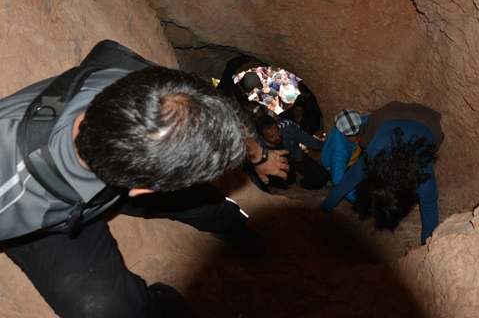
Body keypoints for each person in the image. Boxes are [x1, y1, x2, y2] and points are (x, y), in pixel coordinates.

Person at [0, 57, 289, 317]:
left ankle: (233, 226)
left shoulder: (142, 88)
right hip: (51, 221)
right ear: (140, 191)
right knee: (109, 310)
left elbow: (205, 106)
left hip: (110, 171)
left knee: (207, 204)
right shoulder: (11, 196)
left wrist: (257, 155)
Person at [320, 101, 444, 245]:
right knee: (365, 143)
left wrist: (427, 248)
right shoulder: (370, 160)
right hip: (393, 114)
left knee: (433, 142)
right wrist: (324, 211)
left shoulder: (424, 179)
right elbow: (343, 183)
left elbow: (431, 214)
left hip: (414, 116)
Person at [255, 115, 330, 190]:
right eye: (271, 136)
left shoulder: (287, 126)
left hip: (296, 157)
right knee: (290, 181)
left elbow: (307, 139)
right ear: (262, 136)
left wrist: (327, 146)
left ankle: (301, 183)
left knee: (321, 178)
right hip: (280, 166)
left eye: (277, 130)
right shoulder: (257, 147)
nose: (277, 137)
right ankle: (290, 179)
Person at [321, 108, 370, 203]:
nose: (355, 138)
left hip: (351, 152)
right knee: (344, 177)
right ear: (342, 133)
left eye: (357, 133)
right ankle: (329, 179)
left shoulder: (357, 123)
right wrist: (357, 201)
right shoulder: (339, 149)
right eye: (350, 136)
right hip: (330, 164)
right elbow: (339, 179)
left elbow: (376, 117)